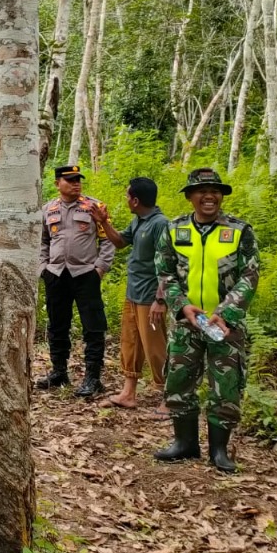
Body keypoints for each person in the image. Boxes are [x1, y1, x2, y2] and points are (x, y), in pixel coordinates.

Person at [153, 168, 259, 474]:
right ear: (189, 196)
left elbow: (249, 276)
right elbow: (165, 272)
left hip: (225, 325)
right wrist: (182, 306)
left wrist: (225, 312)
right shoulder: (174, 230)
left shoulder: (239, 231)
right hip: (188, 322)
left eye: (215, 191)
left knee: (225, 386)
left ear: (222, 196)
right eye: (201, 191)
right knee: (179, 381)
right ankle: (184, 444)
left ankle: (219, 451)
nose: (208, 196)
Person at [90, 177, 169, 414]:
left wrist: (160, 299)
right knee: (130, 342)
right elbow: (121, 242)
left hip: (150, 297)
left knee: (156, 348)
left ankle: (170, 397)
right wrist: (103, 223)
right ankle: (128, 393)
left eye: (127, 196)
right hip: (133, 293)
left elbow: (168, 264)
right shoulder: (139, 221)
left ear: (135, 200)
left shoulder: (160, 224)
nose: (126, 200)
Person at [36, 163, 115, 398]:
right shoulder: (48, 209)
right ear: (57, 183)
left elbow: (108, 239)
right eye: (69, 180)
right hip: (57, 274)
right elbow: (42, 242)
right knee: (57, 325)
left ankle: (93, 377)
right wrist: (43, 268)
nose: (76, 183)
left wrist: (100, 268)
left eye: (78, 179)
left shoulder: (94, 207)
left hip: (85, 274)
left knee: (94, 327)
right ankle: (59, 371)